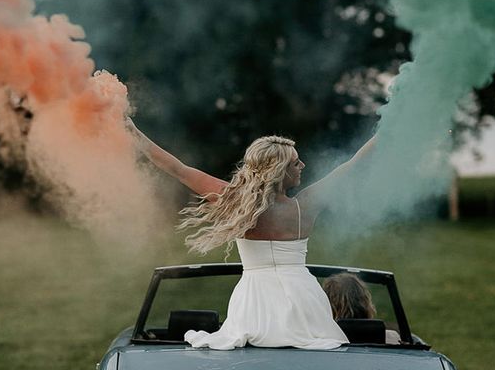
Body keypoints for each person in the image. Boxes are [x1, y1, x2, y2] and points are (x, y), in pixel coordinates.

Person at [128, 125, 376, 350]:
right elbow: (352, 165)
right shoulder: (305, 207)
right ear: (279, 171)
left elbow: (178, 170)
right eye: (295, 163)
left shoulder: (237, 204)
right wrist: (385, 132)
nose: (302, 166)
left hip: (253, 303)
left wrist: (133, 132)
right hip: (305, 303)